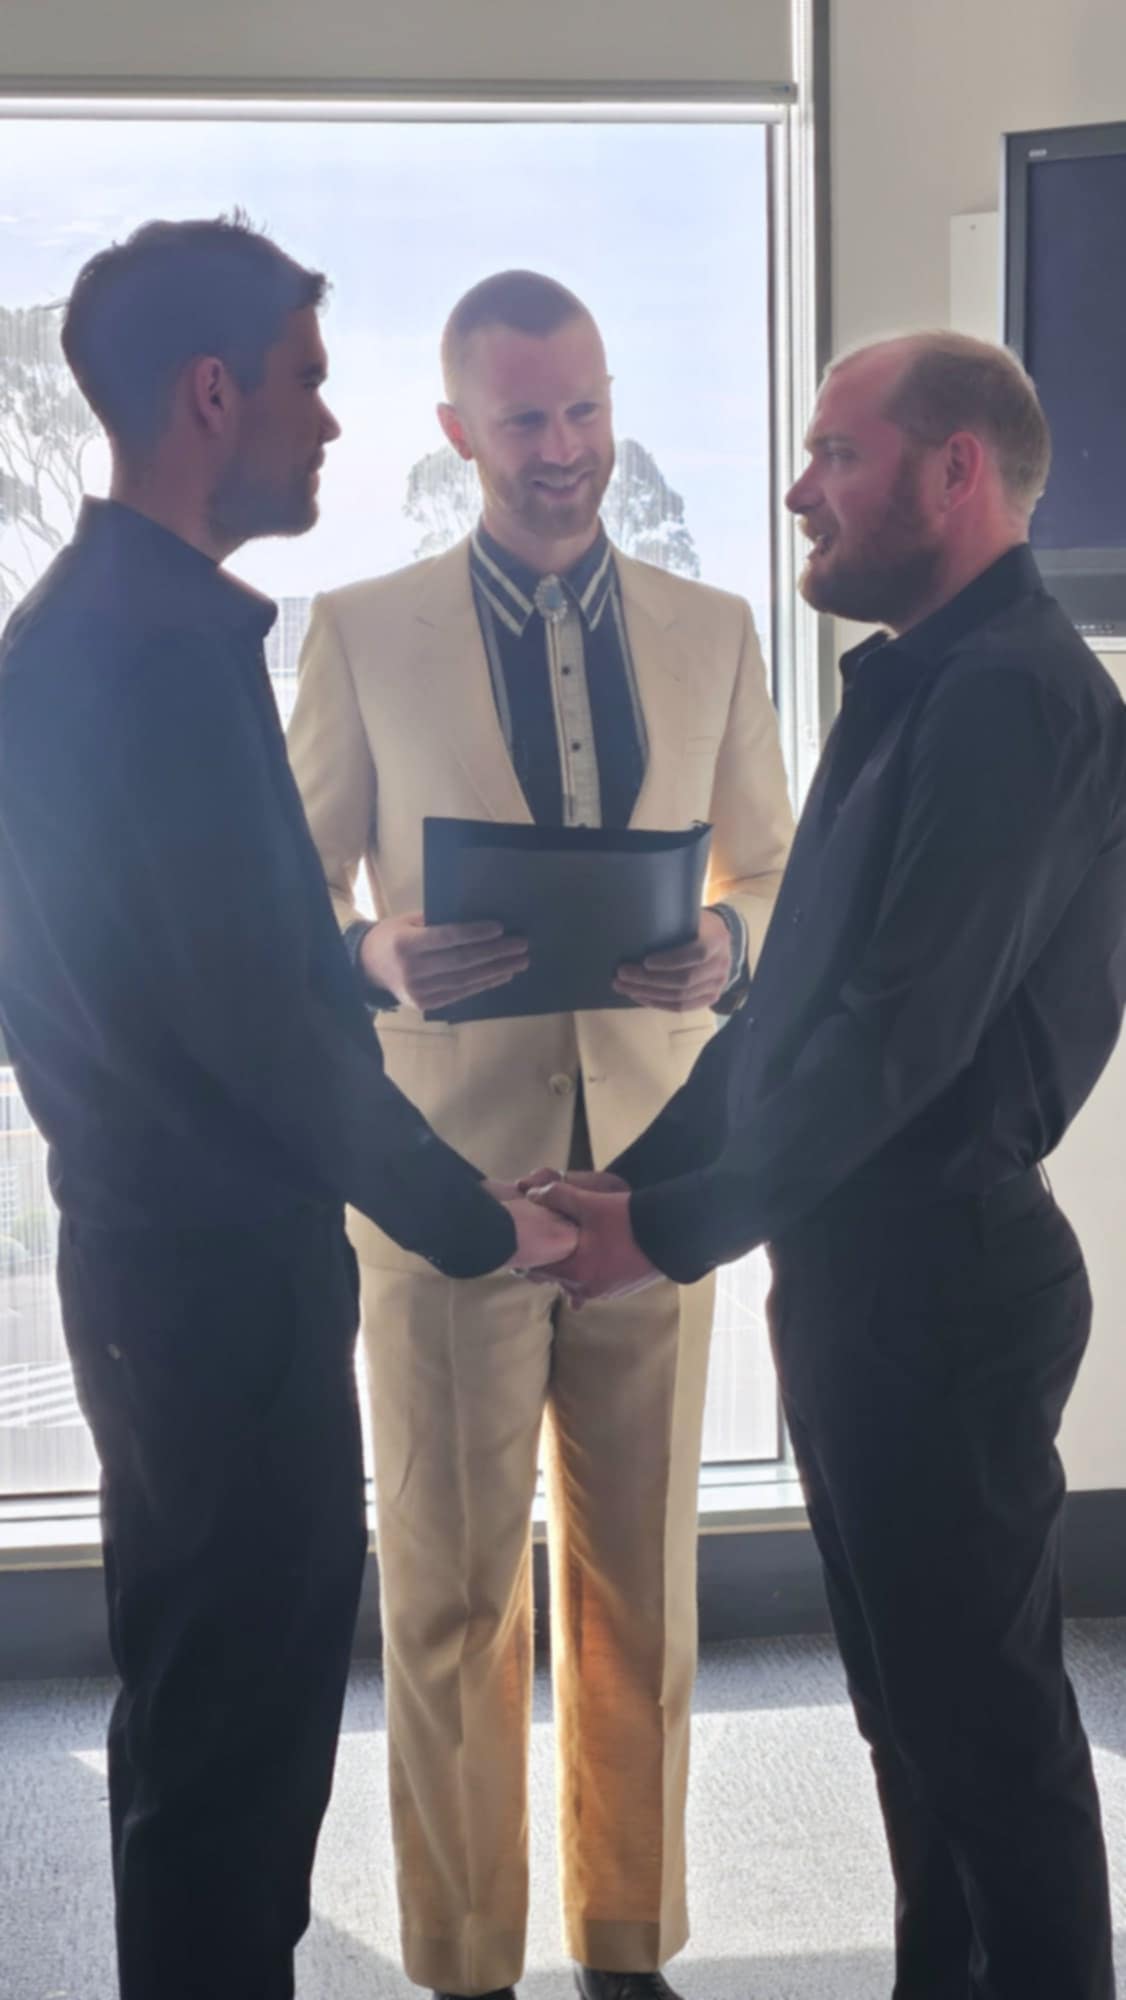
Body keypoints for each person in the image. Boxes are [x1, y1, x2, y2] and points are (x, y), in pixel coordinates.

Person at [0, 219, 572, 2000]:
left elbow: (174, 956)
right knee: (234, 1737)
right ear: (212, 392)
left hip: (154, 1259)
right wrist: (481, 1217)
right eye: (311, 382)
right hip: (222, 1286)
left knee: (204, 1710)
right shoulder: (155, 657)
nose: (332, 424)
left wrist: (358, 961)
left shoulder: (82, 630)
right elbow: (252, 1028)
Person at [531, 332, 1126, 2000]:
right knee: (914, 1718)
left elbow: (898, 1034)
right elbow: (790, 1018)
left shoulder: (1012, 695)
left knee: (985, 1732)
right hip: (867, 1286)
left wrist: (668, 1232)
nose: (799, 489)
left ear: (954, 475)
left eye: (835, 455)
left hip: (947, 1287)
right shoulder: (917, 680)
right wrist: (630, 1190)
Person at [287, 269, 793, 2000]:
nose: (563, 448)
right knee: (447, 1604)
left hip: (654, 1177)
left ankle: (630, 1943)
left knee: (641, 1593)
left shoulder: (716, 628)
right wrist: (371, 950)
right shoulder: (357, 629)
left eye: (583, 409)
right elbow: (284, 896)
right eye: (525, 419)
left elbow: (778, 874)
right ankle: (461, 1959)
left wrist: (731, 942)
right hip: (448, 1183)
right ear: (457, 434)